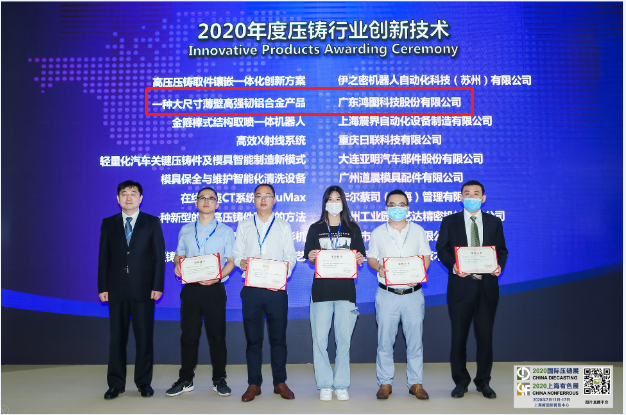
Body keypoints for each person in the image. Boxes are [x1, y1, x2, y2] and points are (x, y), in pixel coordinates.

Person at [435, 180, 508, 399]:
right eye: (467, 193)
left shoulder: (494, 222)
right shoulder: (450, 221)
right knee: (459, 338)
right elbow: (442, 249)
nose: (471, 197)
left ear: (483, 198)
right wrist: (455, 266)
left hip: (487, 288)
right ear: (461, 197)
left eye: (476, 193)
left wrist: (498, 266)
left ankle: (483, 382)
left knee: (485, 338)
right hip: (460, 288)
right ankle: (461, 382)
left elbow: (502, 250)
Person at [98, 180, 165, 400]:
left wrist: (157, 286)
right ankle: (115, 384)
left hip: (143, 289)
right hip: (116, 289)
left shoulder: (152, 222)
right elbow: (103, 258)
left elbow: (159, 258)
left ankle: (144, 383)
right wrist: (103, 286)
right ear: (118, 198)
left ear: (141, 198)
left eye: (133, 193)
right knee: (117, 339)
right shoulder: (108, 223)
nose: (129, 197)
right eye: (124, 193)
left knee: (144, 339)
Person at [165, 187, 235, 397]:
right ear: (196, 203)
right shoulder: (186, 230)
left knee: (217, 337)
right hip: (191, 290)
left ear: (217, 204)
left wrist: (218, 276)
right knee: (189, 336)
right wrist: (177, 266)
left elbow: (231, 261)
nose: (206, 201)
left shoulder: (226, 231)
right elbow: (179, 256)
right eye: (202, 198)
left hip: (215, 289)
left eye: (211, 198)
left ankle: (219, 379)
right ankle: (186, 379)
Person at [232, 184, 298, 402]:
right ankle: (254, 384)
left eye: (267, 196)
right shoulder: (244, 225)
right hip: (252, 289)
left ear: (274, 200)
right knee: (253, 339)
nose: (263, 200)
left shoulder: (283, 226)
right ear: (253, 200)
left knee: (278, 338)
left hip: (276, 290)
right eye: (259, 196)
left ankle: (280, 382)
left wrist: (281, 273)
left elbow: (291, 256)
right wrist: (241, 262)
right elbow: (237, 253)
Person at [367, 189, 431, 401]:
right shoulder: (378, 233)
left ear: (408, 208)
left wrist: (419, 274)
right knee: (385, 341)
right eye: (392, 205)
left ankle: (416, 383)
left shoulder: (418, 230)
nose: (397, 209)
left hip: (413, 294)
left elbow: (426, 257)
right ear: (386, 208)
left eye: (401, 205)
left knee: (415, 342)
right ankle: (385, 383)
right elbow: (371, 258)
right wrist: (378, 268)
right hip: (388, 294)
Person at [304, 186, 366, 401]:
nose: (333, 202)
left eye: (337, 199)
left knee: (344, 340)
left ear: (343, 202)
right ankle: (324, 384)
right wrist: (312, 256)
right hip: (321, 292)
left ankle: (341, 384)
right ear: (324, 203)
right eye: (330, 199)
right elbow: (309, 255)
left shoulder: (353, 228)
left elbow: (360, 255)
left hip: (346, 292)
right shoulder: (315, 228)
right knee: (320, 340)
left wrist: (359, 258)